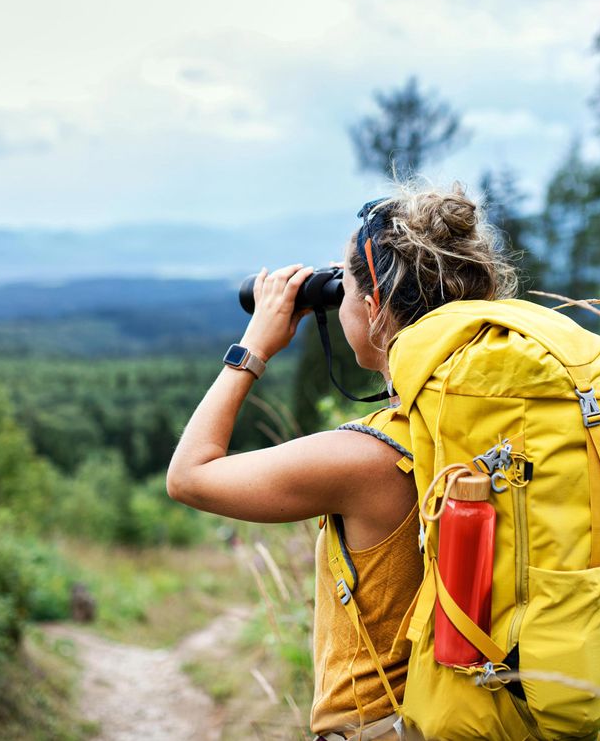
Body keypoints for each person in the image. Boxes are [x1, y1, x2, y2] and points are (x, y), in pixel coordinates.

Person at [167, 182, 518, 741]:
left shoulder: (369, 458)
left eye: (347, 288)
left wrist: (252, 348)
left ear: (373, 310)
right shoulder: (510, 431)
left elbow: (188, 477)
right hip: (497, 717)